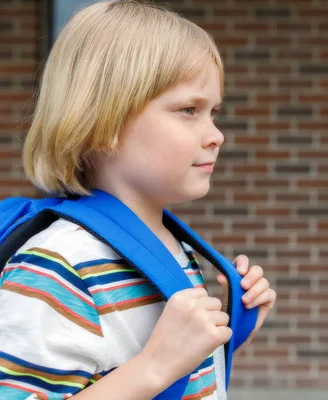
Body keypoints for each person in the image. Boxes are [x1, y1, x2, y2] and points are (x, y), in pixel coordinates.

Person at [0, 0, 276, 399]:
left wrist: (225, 333)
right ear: (101, 123)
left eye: (213, 111)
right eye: (188, 110)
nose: (216, 134)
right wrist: (156, 366)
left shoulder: (170, 244)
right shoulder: (57, 265)